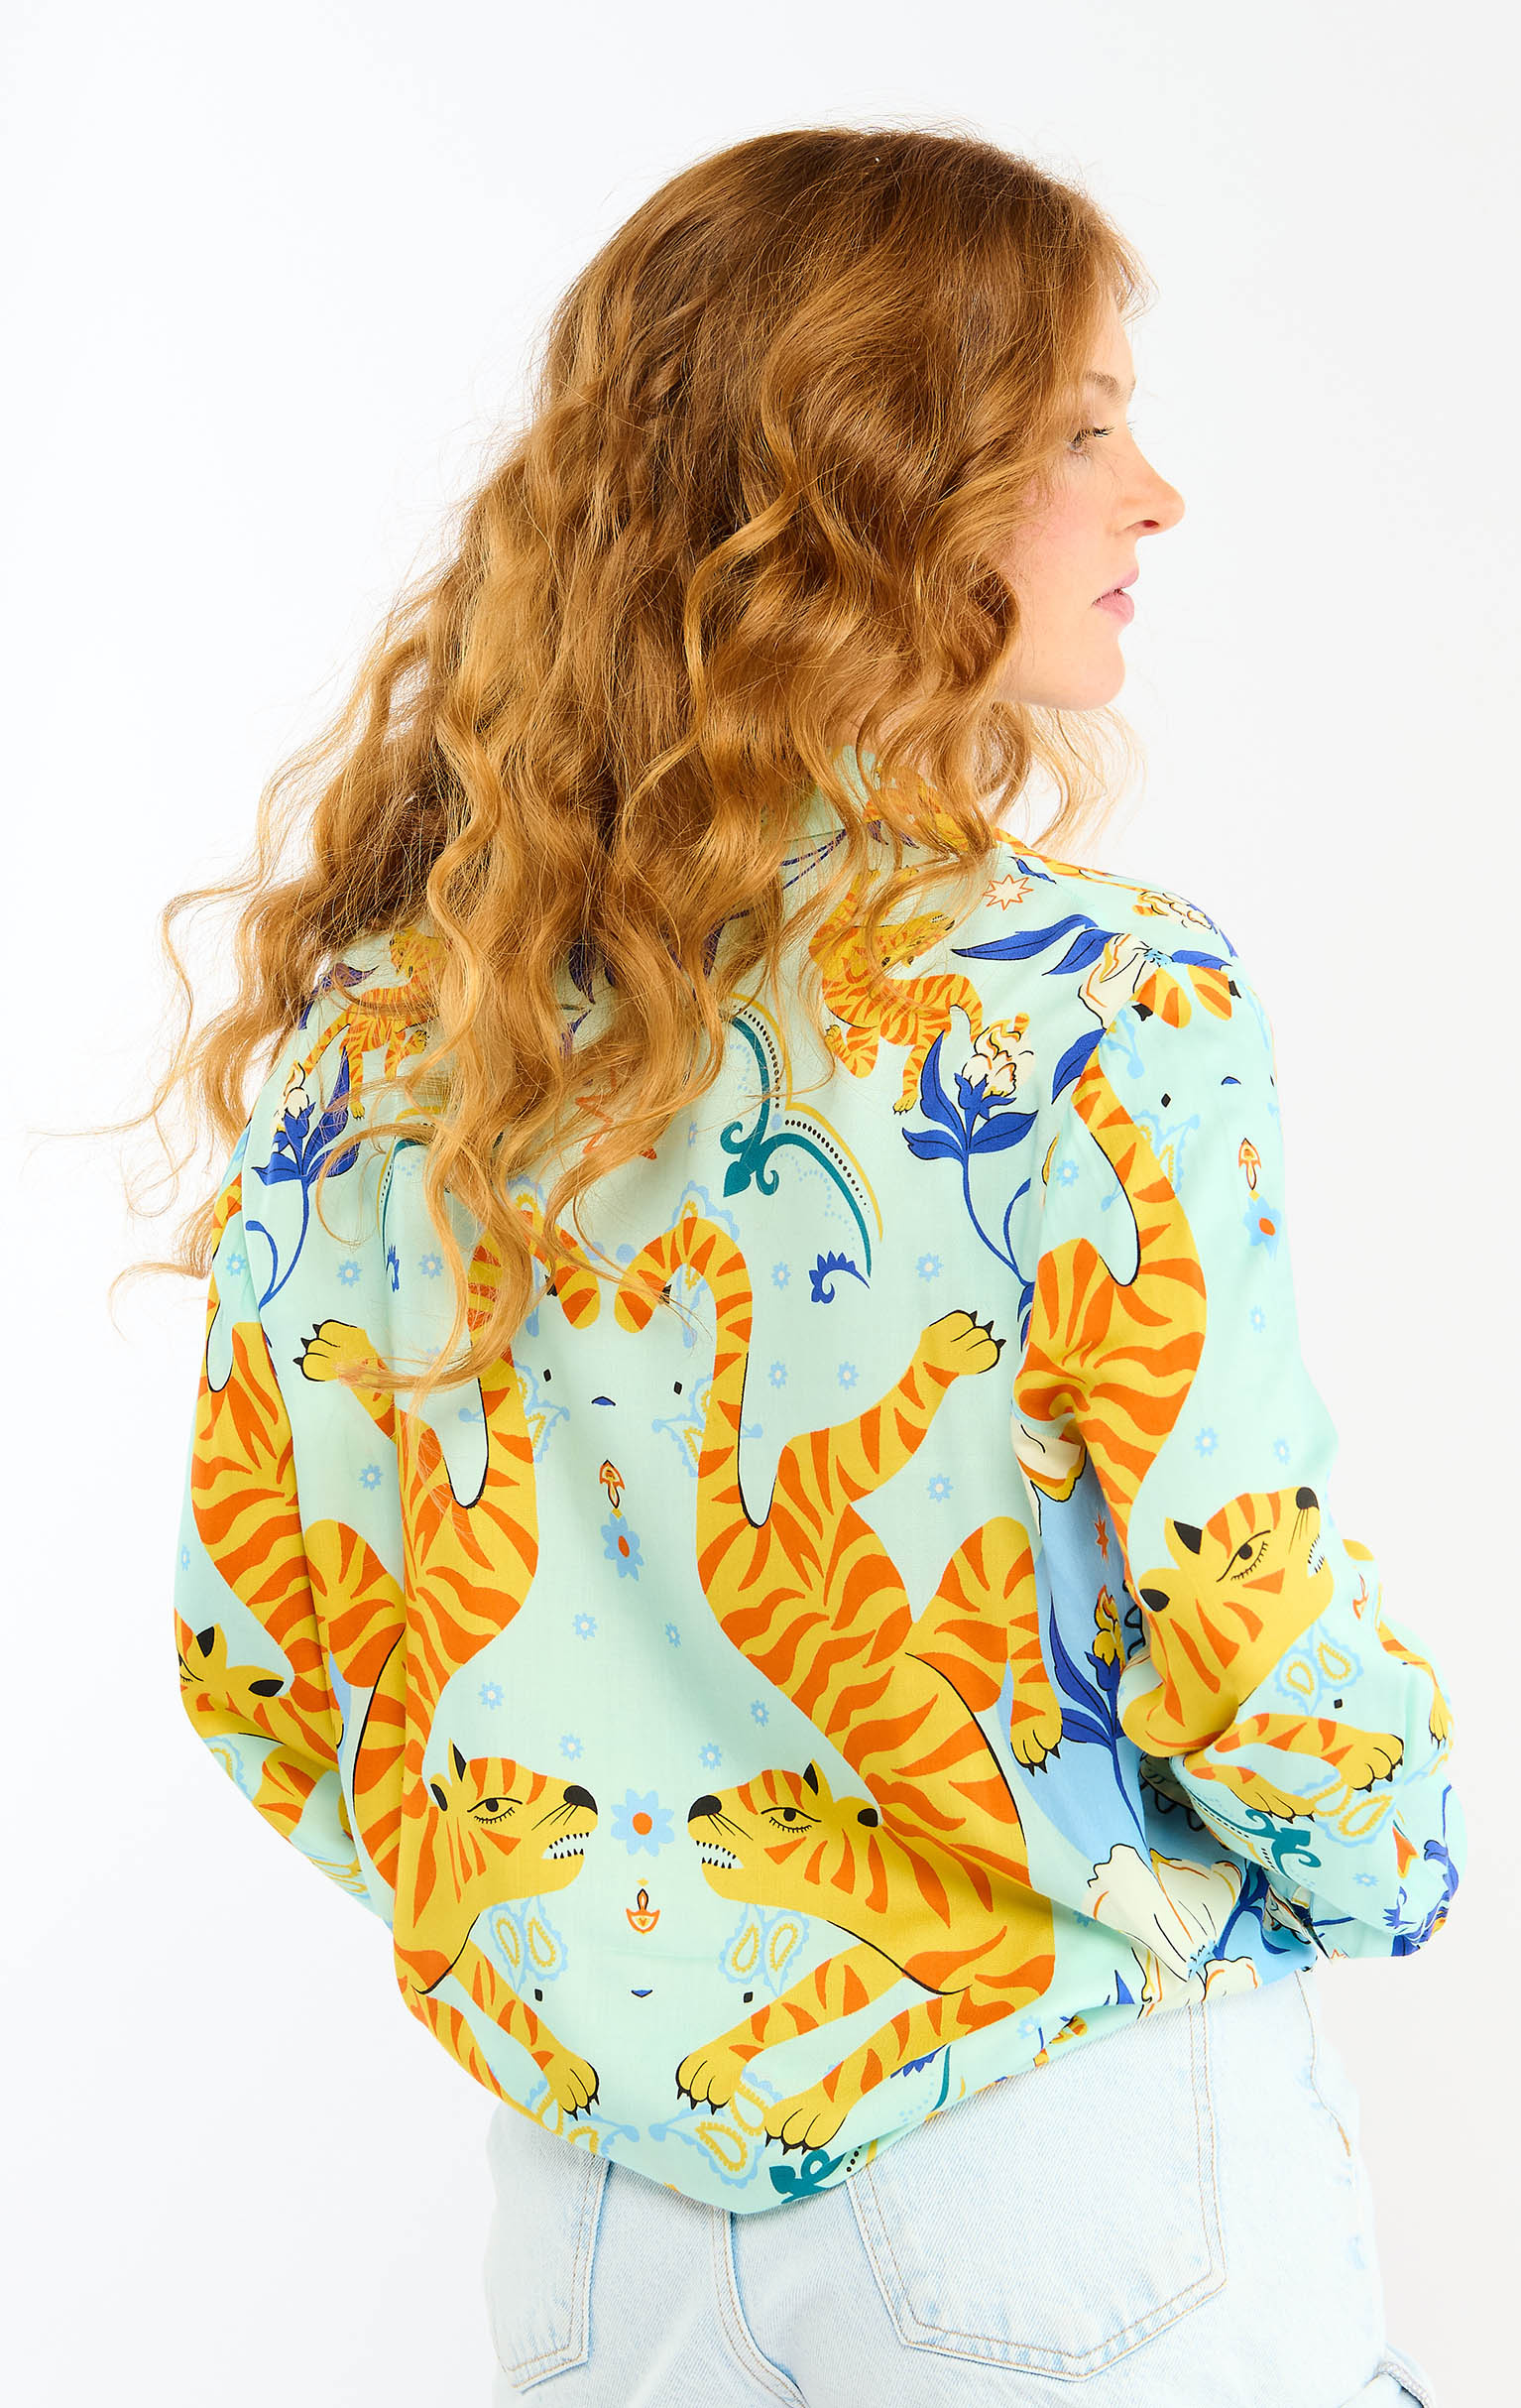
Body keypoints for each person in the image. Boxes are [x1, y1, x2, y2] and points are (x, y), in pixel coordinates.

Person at [135, 126, 1460, 2404]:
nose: (1154, 496)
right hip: (1061, 2170)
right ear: (874, 483)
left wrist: (590, 1958)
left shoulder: (388, 1040)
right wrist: (1386, 1850)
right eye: (1077, 429)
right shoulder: (1089, 999)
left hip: (596, 2244)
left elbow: (259, 1653)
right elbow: (1233, 1614)